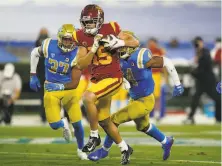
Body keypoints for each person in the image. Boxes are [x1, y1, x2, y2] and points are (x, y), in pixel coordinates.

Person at [87, 32, 184, 162]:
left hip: (145, 100)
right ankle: (166, 141)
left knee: (114, 120)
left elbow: (167, 62)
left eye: (122, 47)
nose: (119, 50)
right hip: (134, 98)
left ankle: (104, 151)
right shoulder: (117, 59)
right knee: (143, 126)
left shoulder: (141, 57)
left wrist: (177, 84)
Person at [74, 4, 139, 165]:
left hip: (113, 77)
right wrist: (93, 48)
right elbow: (81, 65)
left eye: (92, 22)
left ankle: (94, 136)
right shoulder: (80, 36)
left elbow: (135, 42)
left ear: (100, 20)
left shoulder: (112, 28)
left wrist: (118, 41)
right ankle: (124, 148)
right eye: (86, 22)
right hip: (97, 80)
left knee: (87, 97)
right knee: (104, 120)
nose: (88, 26)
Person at [29, 24, 88, 160]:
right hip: (50, 88)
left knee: (78, 124)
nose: (68, 42)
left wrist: (61, 87)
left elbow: (75, 82)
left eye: (70, 39)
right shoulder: (49, 45)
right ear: (60, 38)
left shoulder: (79, 53)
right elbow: (34, 53)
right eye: (65, 39)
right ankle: (63, 123)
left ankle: (81, 150)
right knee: (54, 125)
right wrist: (33, 74)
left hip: (69, 89)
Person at [183, 36, 221, 124]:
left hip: (208, 81)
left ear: (201, 42)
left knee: (218, 99)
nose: (195, 45)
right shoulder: (198, 53)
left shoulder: (205, 52)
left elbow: (204, 68)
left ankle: (219, 118)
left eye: (196, 43)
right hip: (201, 81)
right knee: (195, 98)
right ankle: (190, 118)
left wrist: (192, 72)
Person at [147, 38, 168, 119]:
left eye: (152, 43)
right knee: (149, 95)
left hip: (157, 75)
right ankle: (151, 114)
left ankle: (158, 113)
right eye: (150, 43)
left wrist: (165, 76)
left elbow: (164, 65)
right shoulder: (146, 52)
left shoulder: (159, 51)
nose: (151, 44)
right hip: (148, 75)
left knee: (158, 95)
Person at [35, 28, 50, 123]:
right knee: (46, 97)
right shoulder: (48, 43)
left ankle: (45, 116)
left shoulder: (38, 43)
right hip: (45, 75)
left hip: (45, 75)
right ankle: (45, 116)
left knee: (45, 97)